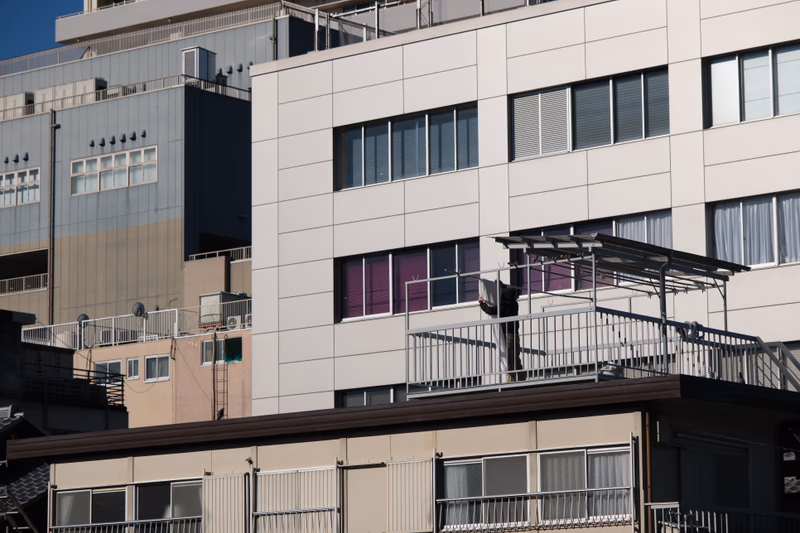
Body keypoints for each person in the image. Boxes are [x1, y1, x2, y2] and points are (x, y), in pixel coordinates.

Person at [478, 281, 526, 382]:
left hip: (507, 333)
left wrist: (481, 303)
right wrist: (501, 285)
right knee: (515, 357)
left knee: (509, 358)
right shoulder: (514, 304)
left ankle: (512, 380)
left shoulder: (504, 306)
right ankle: (521, 379)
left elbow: (490, 310)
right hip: (515, 333)